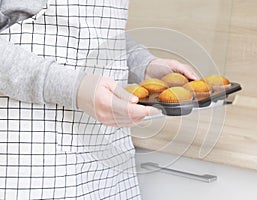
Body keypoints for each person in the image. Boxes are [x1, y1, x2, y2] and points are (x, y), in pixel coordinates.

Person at [0, 0, 199, 199]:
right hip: (31, 156)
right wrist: (74, 87)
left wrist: (143, 63)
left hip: (108, 163)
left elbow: (96, 28)